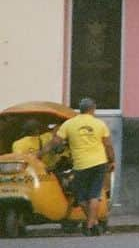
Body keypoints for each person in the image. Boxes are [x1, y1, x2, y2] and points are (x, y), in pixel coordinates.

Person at [39, 98, 115, 236]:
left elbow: (55, 142)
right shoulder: (99, 124)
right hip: (99, 163)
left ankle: (91, 224)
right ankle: (93, 224)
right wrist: (112, 160)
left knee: (81, 198)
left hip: (80, 165)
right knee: (94, 195)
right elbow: (108, 145)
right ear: (93, 109)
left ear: (80, 109)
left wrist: (39, 154)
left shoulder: (69, 124)